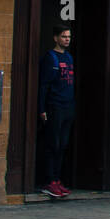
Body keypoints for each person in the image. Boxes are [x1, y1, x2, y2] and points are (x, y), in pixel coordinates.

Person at [38, 24, 75, 199]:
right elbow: (43, 85)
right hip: (54, 105)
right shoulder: (50, 58)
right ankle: (49, 181)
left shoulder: (69, 57)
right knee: (52, 144)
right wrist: (42, 108)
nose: (66, 39)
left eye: (68, 36)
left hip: (68, 105)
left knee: (63, 144)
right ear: (55, 38)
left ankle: (57, 179)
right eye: (63, 36)